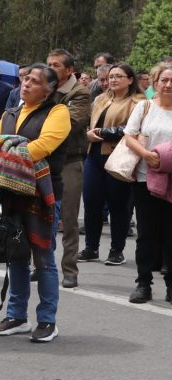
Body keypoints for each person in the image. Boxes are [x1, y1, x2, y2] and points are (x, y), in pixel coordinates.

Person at [0, 64, 70, 342]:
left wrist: (7, 152)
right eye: (26, 79)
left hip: (42, 196)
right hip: (11, 196)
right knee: (16, 256)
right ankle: (17, 316)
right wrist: (8, 152)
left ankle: (47, 321)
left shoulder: (58, 112)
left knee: (44, 260)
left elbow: (44, 146)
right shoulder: (10, 113)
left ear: (49, 90)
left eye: (35, 82)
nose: (26, 84)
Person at [79, 63, 145, 267]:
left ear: (130, 79)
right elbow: (88, 122)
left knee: (119, 205)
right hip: (94, 155)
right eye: (111, 76)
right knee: (91, 202)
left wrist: (100, 134)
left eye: (119, 76)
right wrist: (89, 134)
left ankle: (117, 250)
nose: (113, 80)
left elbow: (132, 129)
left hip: (119, 156)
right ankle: (91, 248)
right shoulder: (100, 98)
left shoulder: (138, 101)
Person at [123, 64, 172, 304]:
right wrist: (146, 154)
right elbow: (129, 136)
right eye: (164, 80)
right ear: (155, 82)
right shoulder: (145, 107)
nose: (168, 85)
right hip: (144, 179)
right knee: (146, 234)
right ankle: (143, 284)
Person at [46, 49, 90, 289]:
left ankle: (70, 269)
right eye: (48, 63)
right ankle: (42, 265)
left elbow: (70, 124)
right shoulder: (45, 89)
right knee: (42, 216)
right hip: (46, 160)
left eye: (56, 65)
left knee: (69, 219)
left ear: (69, 70)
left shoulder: (80, 93)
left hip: (69, 161)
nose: (50, 68)